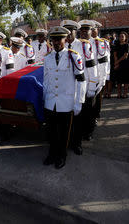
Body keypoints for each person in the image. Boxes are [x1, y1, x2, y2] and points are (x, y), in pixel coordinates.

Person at [43, 26, 85, 169]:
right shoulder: (47, 57)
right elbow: (46, 80)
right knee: (52, 131)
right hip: (50, 101)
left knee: (64, 131)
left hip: (66, 101)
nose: (56, 42)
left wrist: (79, 102)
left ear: (65, 40)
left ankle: (62, 155)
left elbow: (81, 80)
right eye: (53, 39)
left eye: (59, 39)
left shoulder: (74, 56)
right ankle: (52, 153)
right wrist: (44, 98)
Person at [60, 19, 97, 153]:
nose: (69, 34)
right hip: (64, 89)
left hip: (79, 87)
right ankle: (66, 141)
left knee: (79, 117)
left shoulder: (84, 46)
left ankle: (77, 143)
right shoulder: (59, 47)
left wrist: (92, 87)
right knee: (64, 117)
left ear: (76, 32)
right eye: (66, 32)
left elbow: (92, 68)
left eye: (71, 31)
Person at [113, 31, 129, 98]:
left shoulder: (127, 45)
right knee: (119, 80)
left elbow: (125, 55)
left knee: (126, 80)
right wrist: (116, 63)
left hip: (125, 64)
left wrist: (117, 62)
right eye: (120, 36)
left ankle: (125, 93)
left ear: (126, 37)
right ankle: (119, 93)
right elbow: (115, 54)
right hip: (118, 64)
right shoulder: (116, 45)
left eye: (123, 36)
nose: (121, 38)